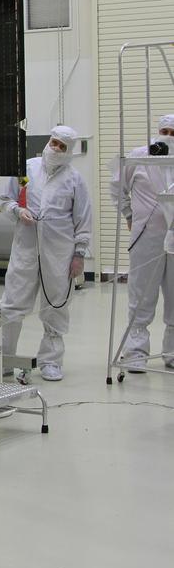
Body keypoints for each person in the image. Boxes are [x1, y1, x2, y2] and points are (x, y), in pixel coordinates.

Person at [0, 125, 91, 382]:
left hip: (60, 254)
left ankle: (51, 361)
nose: (56, 149)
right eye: (54, 142)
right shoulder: (26, 169)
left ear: (69, 151)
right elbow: (6, 200)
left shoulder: (74, 179)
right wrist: (18, 212)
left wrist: (79, 254)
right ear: (48, 141)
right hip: (25, 249)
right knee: (12, 304)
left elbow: (83, 219)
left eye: (62, 146)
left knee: (56, 307)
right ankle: (5, 360)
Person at [109, 113, 174, 373]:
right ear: (158, 130)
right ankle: (136, 352)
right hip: (146, 235)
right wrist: (128, 213)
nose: (168, 137)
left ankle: (171, 352)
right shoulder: (139, 156)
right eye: (165, 131)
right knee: (141, 295)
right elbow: (117, 186)